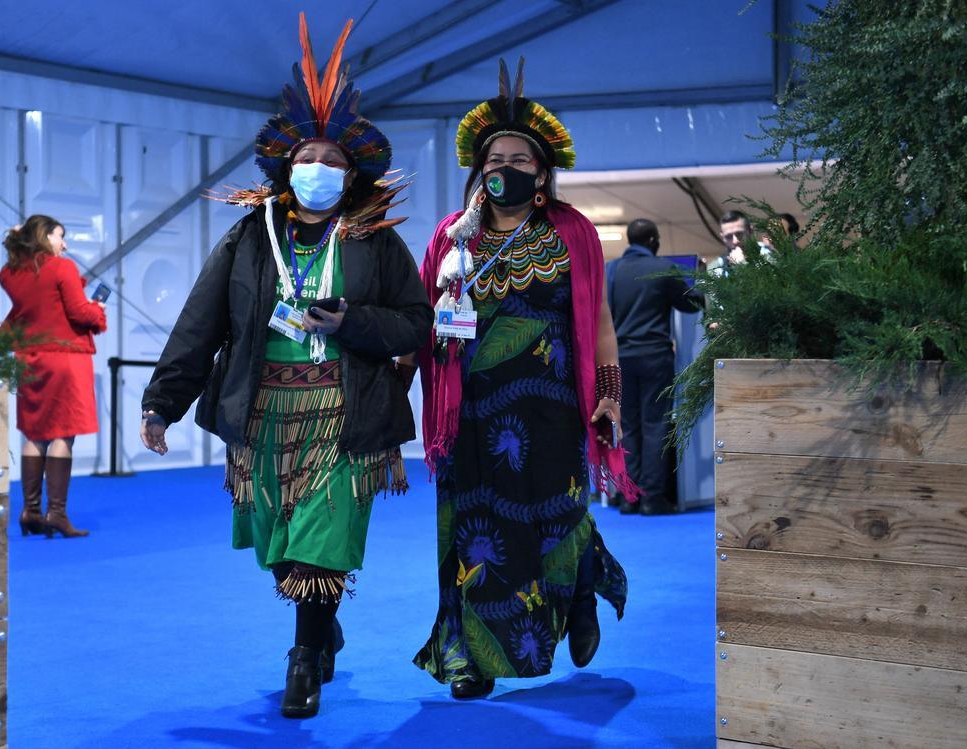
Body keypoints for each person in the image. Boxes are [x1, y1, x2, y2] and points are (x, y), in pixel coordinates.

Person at [137, 14, 431, 720]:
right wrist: (161, 402)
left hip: (344, 408)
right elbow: (200, 321)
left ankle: (304, 659)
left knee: (320, 537)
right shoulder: (249, 236)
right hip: (263, 412)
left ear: (352, 172)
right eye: (308, 157)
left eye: (333, 161)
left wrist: (351, 322)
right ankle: (322, 619)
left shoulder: (375, 242)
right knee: (279, 545)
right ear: (285, 165)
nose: (319, 170)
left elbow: (415, 322)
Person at [410, 58, 636, 700]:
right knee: (475, 535)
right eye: (492, 158)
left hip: (555, 414)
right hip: (473, 419)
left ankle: (581, 593)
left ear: (542, 171)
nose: (503, 167)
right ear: (477, 171)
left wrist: (611, 398)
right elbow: (424, 323)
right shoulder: (448, 240)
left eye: (518, 157)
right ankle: (469, 656)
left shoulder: (571, 232)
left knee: (556, 522)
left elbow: (599, 327)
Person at [0, 214, 107, 539]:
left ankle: (30, 511)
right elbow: (79, 312)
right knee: (63, 434)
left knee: (34, 432)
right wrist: (98, 309)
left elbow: (26, 310)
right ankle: (56, 514)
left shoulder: (10, 273)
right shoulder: (63, 268)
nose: (65, 243)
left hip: (29, 358)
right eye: (61, 236)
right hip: (64, 358)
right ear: (45, 236)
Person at [607, 219, 704, 515]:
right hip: (654, 356)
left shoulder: (611, 270)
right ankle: (652, 498)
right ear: (652, 240)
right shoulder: (662, 268)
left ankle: (629, 497)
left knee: (628, 427)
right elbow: (691, 304)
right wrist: (700, 280)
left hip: (620, 358)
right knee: (656, 425)